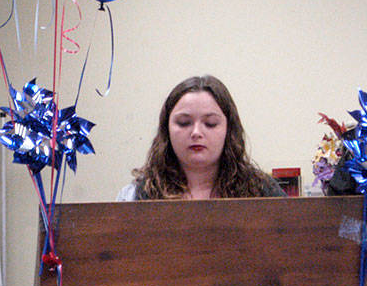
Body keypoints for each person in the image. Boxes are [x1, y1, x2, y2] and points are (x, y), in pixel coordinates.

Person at [117, 75, 284, 200]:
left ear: (229, 129)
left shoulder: (263, 191)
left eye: (210, 123)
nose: (196, 132)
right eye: (183, 123)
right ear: (166, 129)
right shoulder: (135, 195)